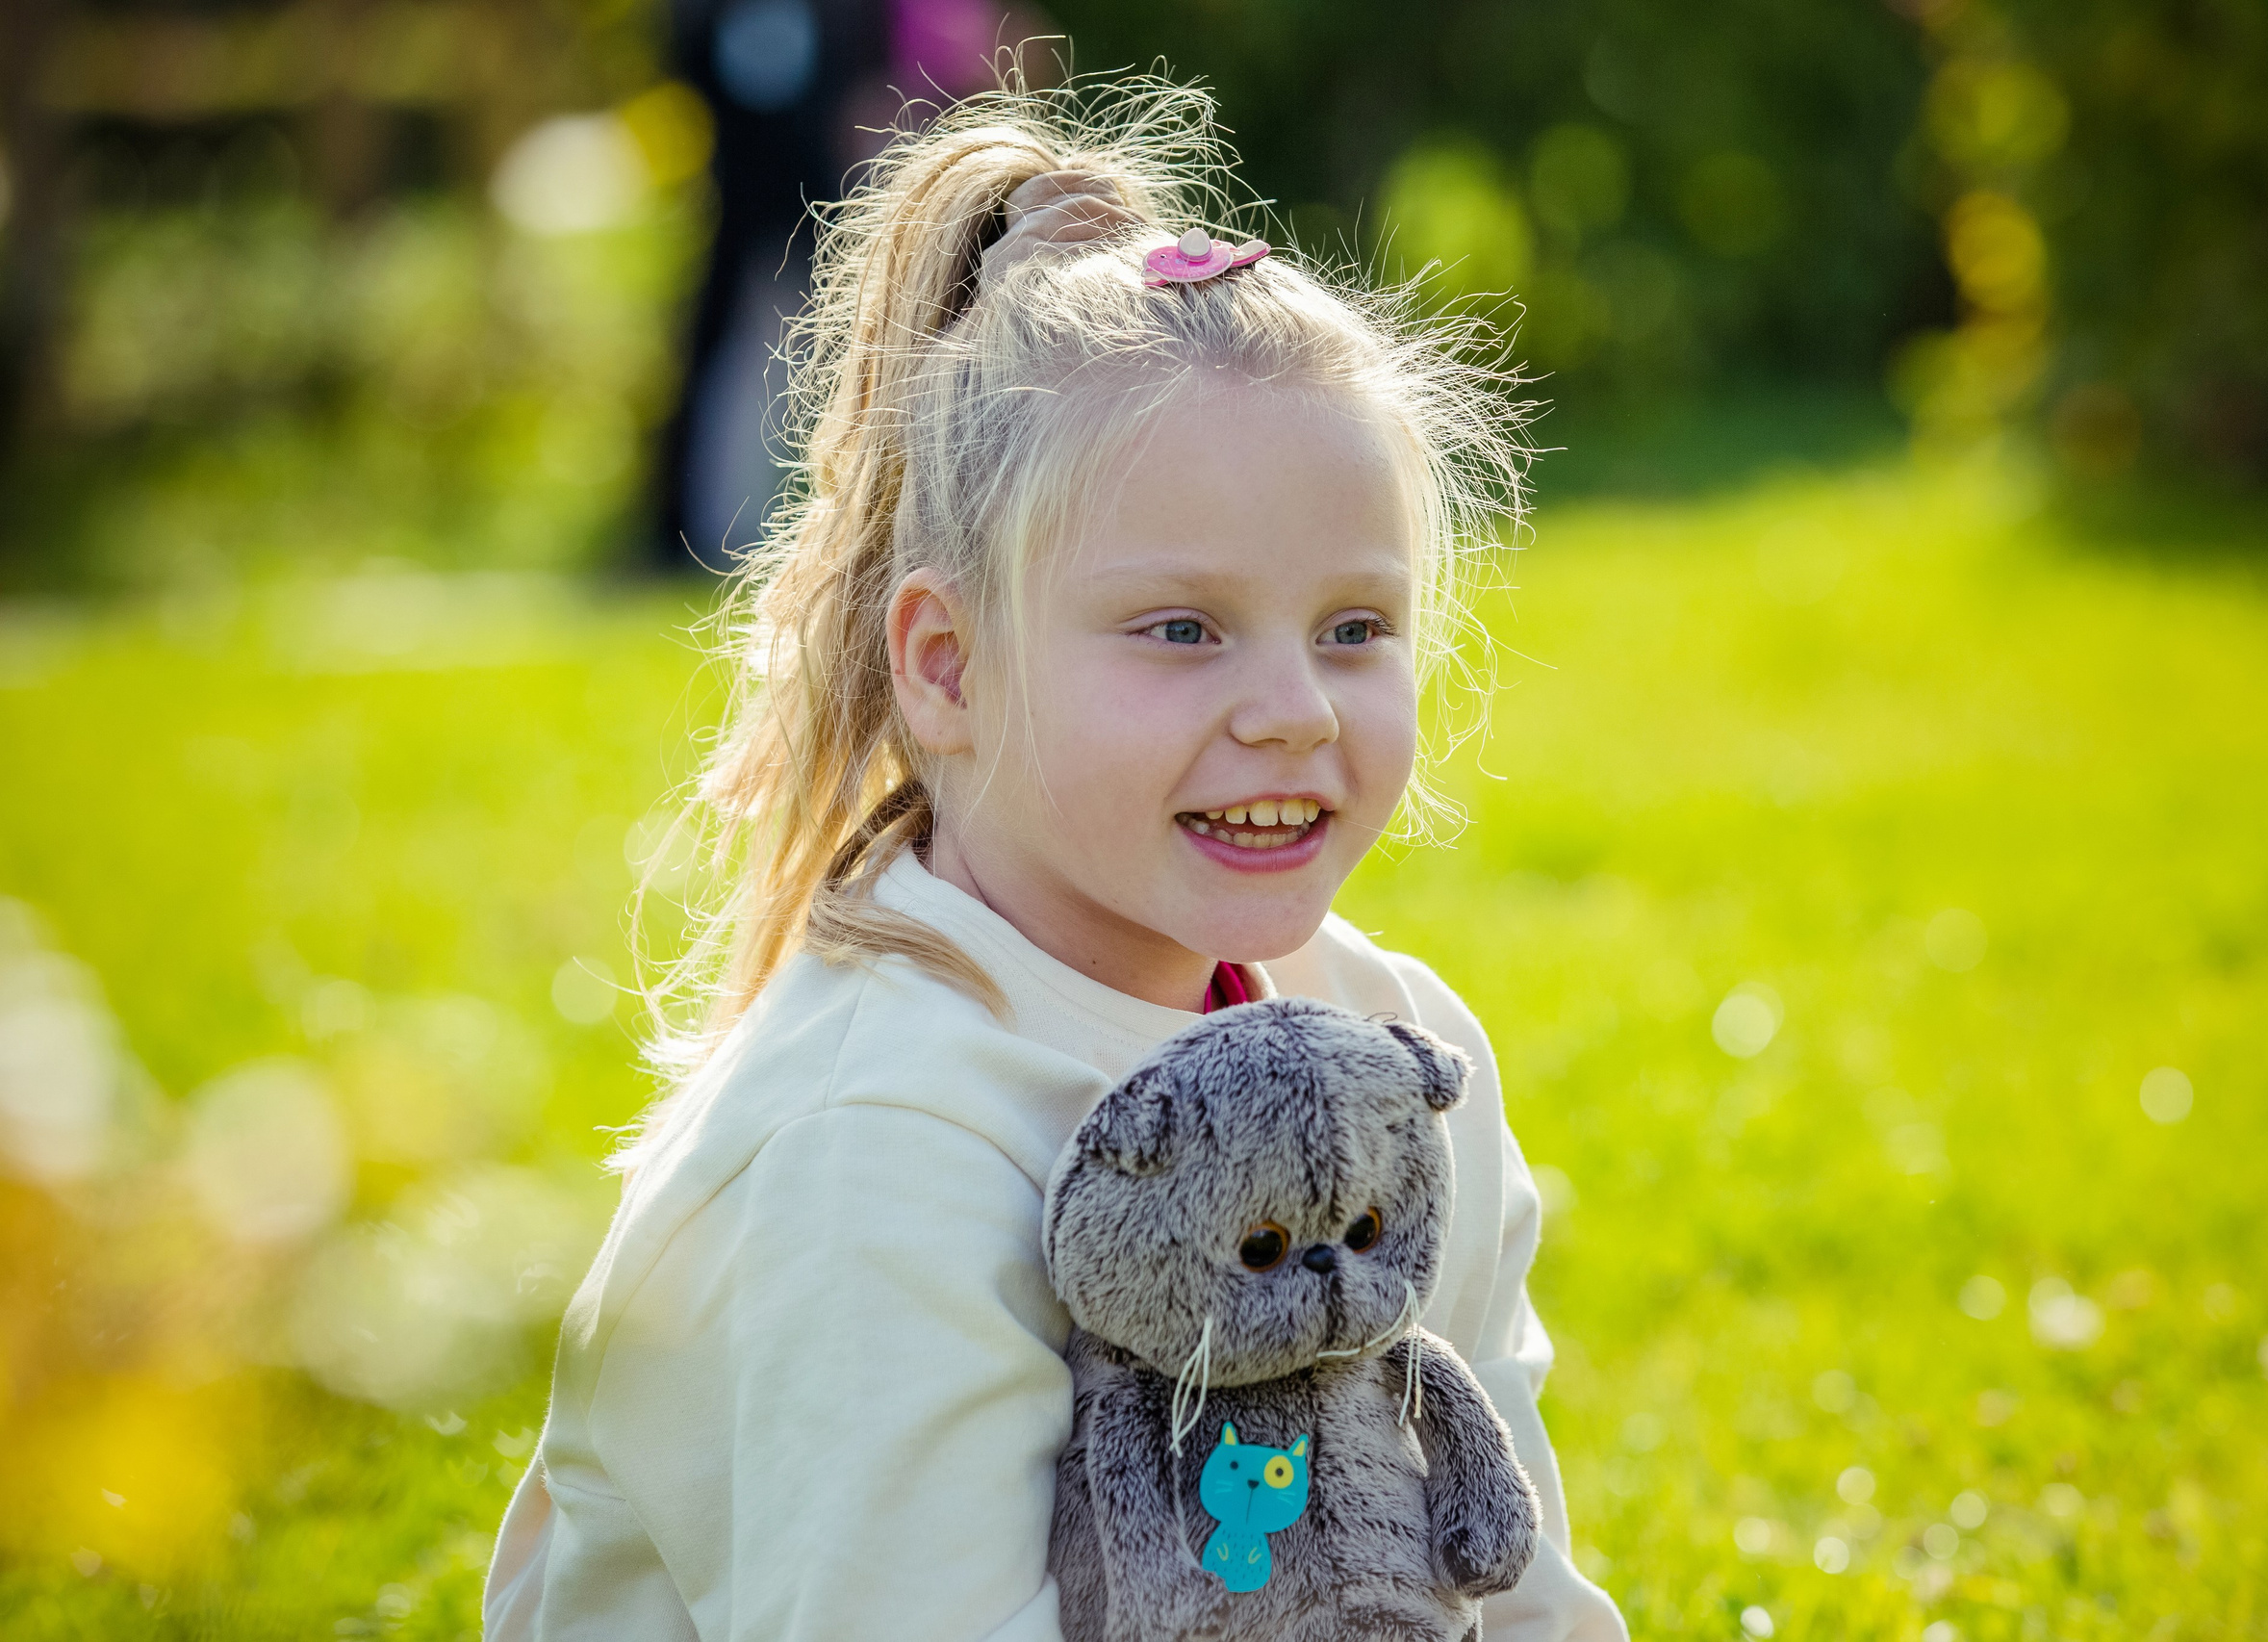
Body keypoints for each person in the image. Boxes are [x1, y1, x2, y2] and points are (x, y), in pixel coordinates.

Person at [483, 77, 1626, 1642]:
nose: (1294, 712)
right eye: (1182, 629)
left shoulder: (1396, 1053)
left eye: (1353, 629)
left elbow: (1511, 1589)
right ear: (946, 666)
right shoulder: (876, 1150)